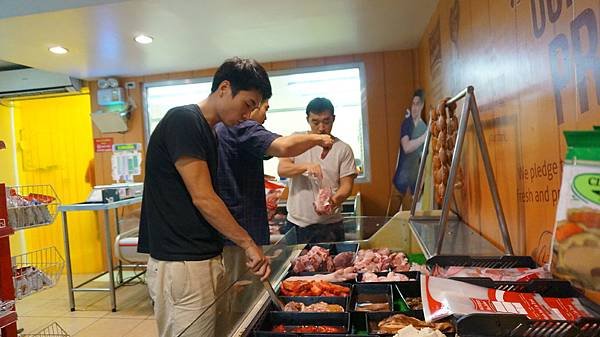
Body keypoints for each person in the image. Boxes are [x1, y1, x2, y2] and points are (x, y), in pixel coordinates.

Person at [138, 57, 272, 337]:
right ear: (224, 88)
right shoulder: (184, 120)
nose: (249, 114)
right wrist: (248, 243)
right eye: (248, 103)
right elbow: (204, 198)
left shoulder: (209, 133)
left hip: (203, 258)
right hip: (182, 264)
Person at [215, 100, 335, 246]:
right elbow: (283, 148)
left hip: (238, 227)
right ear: (253, 105)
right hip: (241, 228)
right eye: (265, 109)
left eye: (326, 121)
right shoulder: (242, 128)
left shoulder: (224, 129)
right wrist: (319, 139)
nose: (266, 117)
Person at [278, 97, 357, 243]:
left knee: (335, 264)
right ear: (307, 119)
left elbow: (346, 186)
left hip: (331, 225)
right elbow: (282, 169)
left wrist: (332, 202)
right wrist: (305, 167)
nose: (321, 128)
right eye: (315, 122)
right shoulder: (296, 140)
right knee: (296, 265)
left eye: (326, 122)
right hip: (297, 224)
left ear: (333, 119)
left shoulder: (343, 149)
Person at [391, 89, 428, 212]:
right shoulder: (407, 123)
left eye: (417, 104)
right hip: (399, 180)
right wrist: (424, 137)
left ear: (422, 106)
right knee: (390, 219)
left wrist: (419, 188)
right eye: (413, 104)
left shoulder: (423, 128)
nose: (414, 107)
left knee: (407, 221)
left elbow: (424, 161)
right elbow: (406, 147)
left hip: (412, 185)